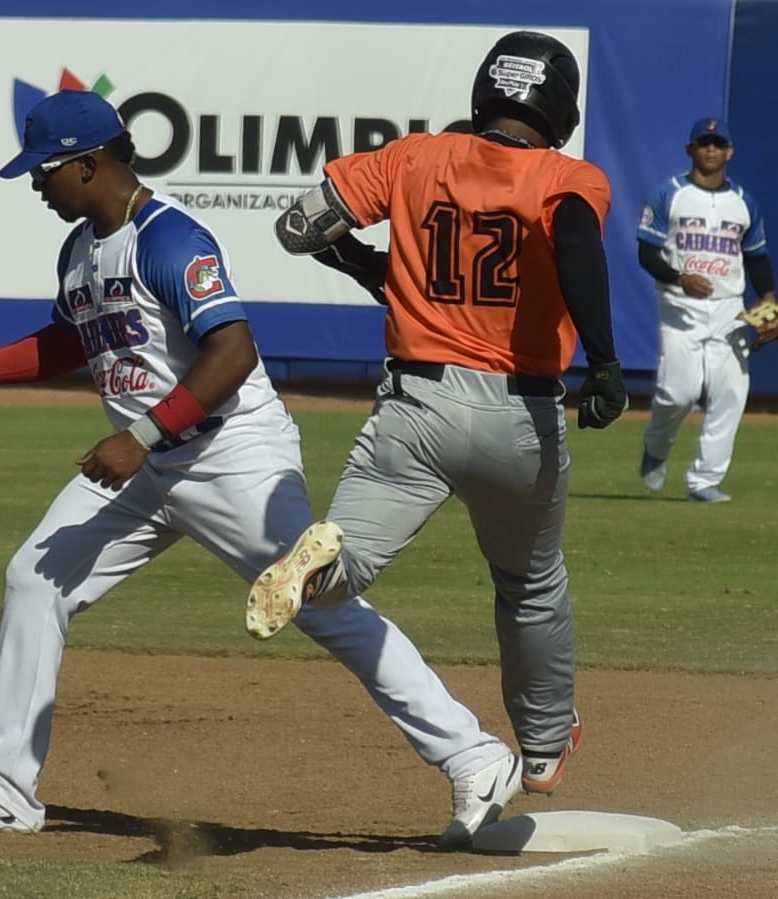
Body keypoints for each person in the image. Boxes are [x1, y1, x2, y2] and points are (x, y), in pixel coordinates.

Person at [0, 90, 522, 848]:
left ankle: (474, 755)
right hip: (150, 464)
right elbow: (69, 341)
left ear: (88, 165)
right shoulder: (81, 248)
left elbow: (234, 351)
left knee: (320, 604)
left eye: (44, 169)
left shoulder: (169, 238)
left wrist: (142, 434)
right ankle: (4, 786)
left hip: (231, 457)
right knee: (34, 579)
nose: (35, 183)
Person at [247, 31, 628, 798]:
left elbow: (297, 226)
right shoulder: (566, 176)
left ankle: (317, 567)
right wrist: (605, 360)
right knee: (529, 583)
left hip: (415, 406)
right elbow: (576, 244)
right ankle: (543, 747)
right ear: (559, 107)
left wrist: (367, 262)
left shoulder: (413, 158)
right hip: (517, 414)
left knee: (348, 568)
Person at [636, 117, 773, 503]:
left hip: (729, 308)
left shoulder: (744, 202)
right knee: (678, 394)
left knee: (730, 393)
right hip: (680, 305)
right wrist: (680, 277)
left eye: (718, 143)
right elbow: (646, 252)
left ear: (730, 152)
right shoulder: (669, 194)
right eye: (704, 142)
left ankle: (704, 481)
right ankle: (656, 450)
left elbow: (756, 257)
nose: (711, 149)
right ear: (690, 149)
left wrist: (767, 296)